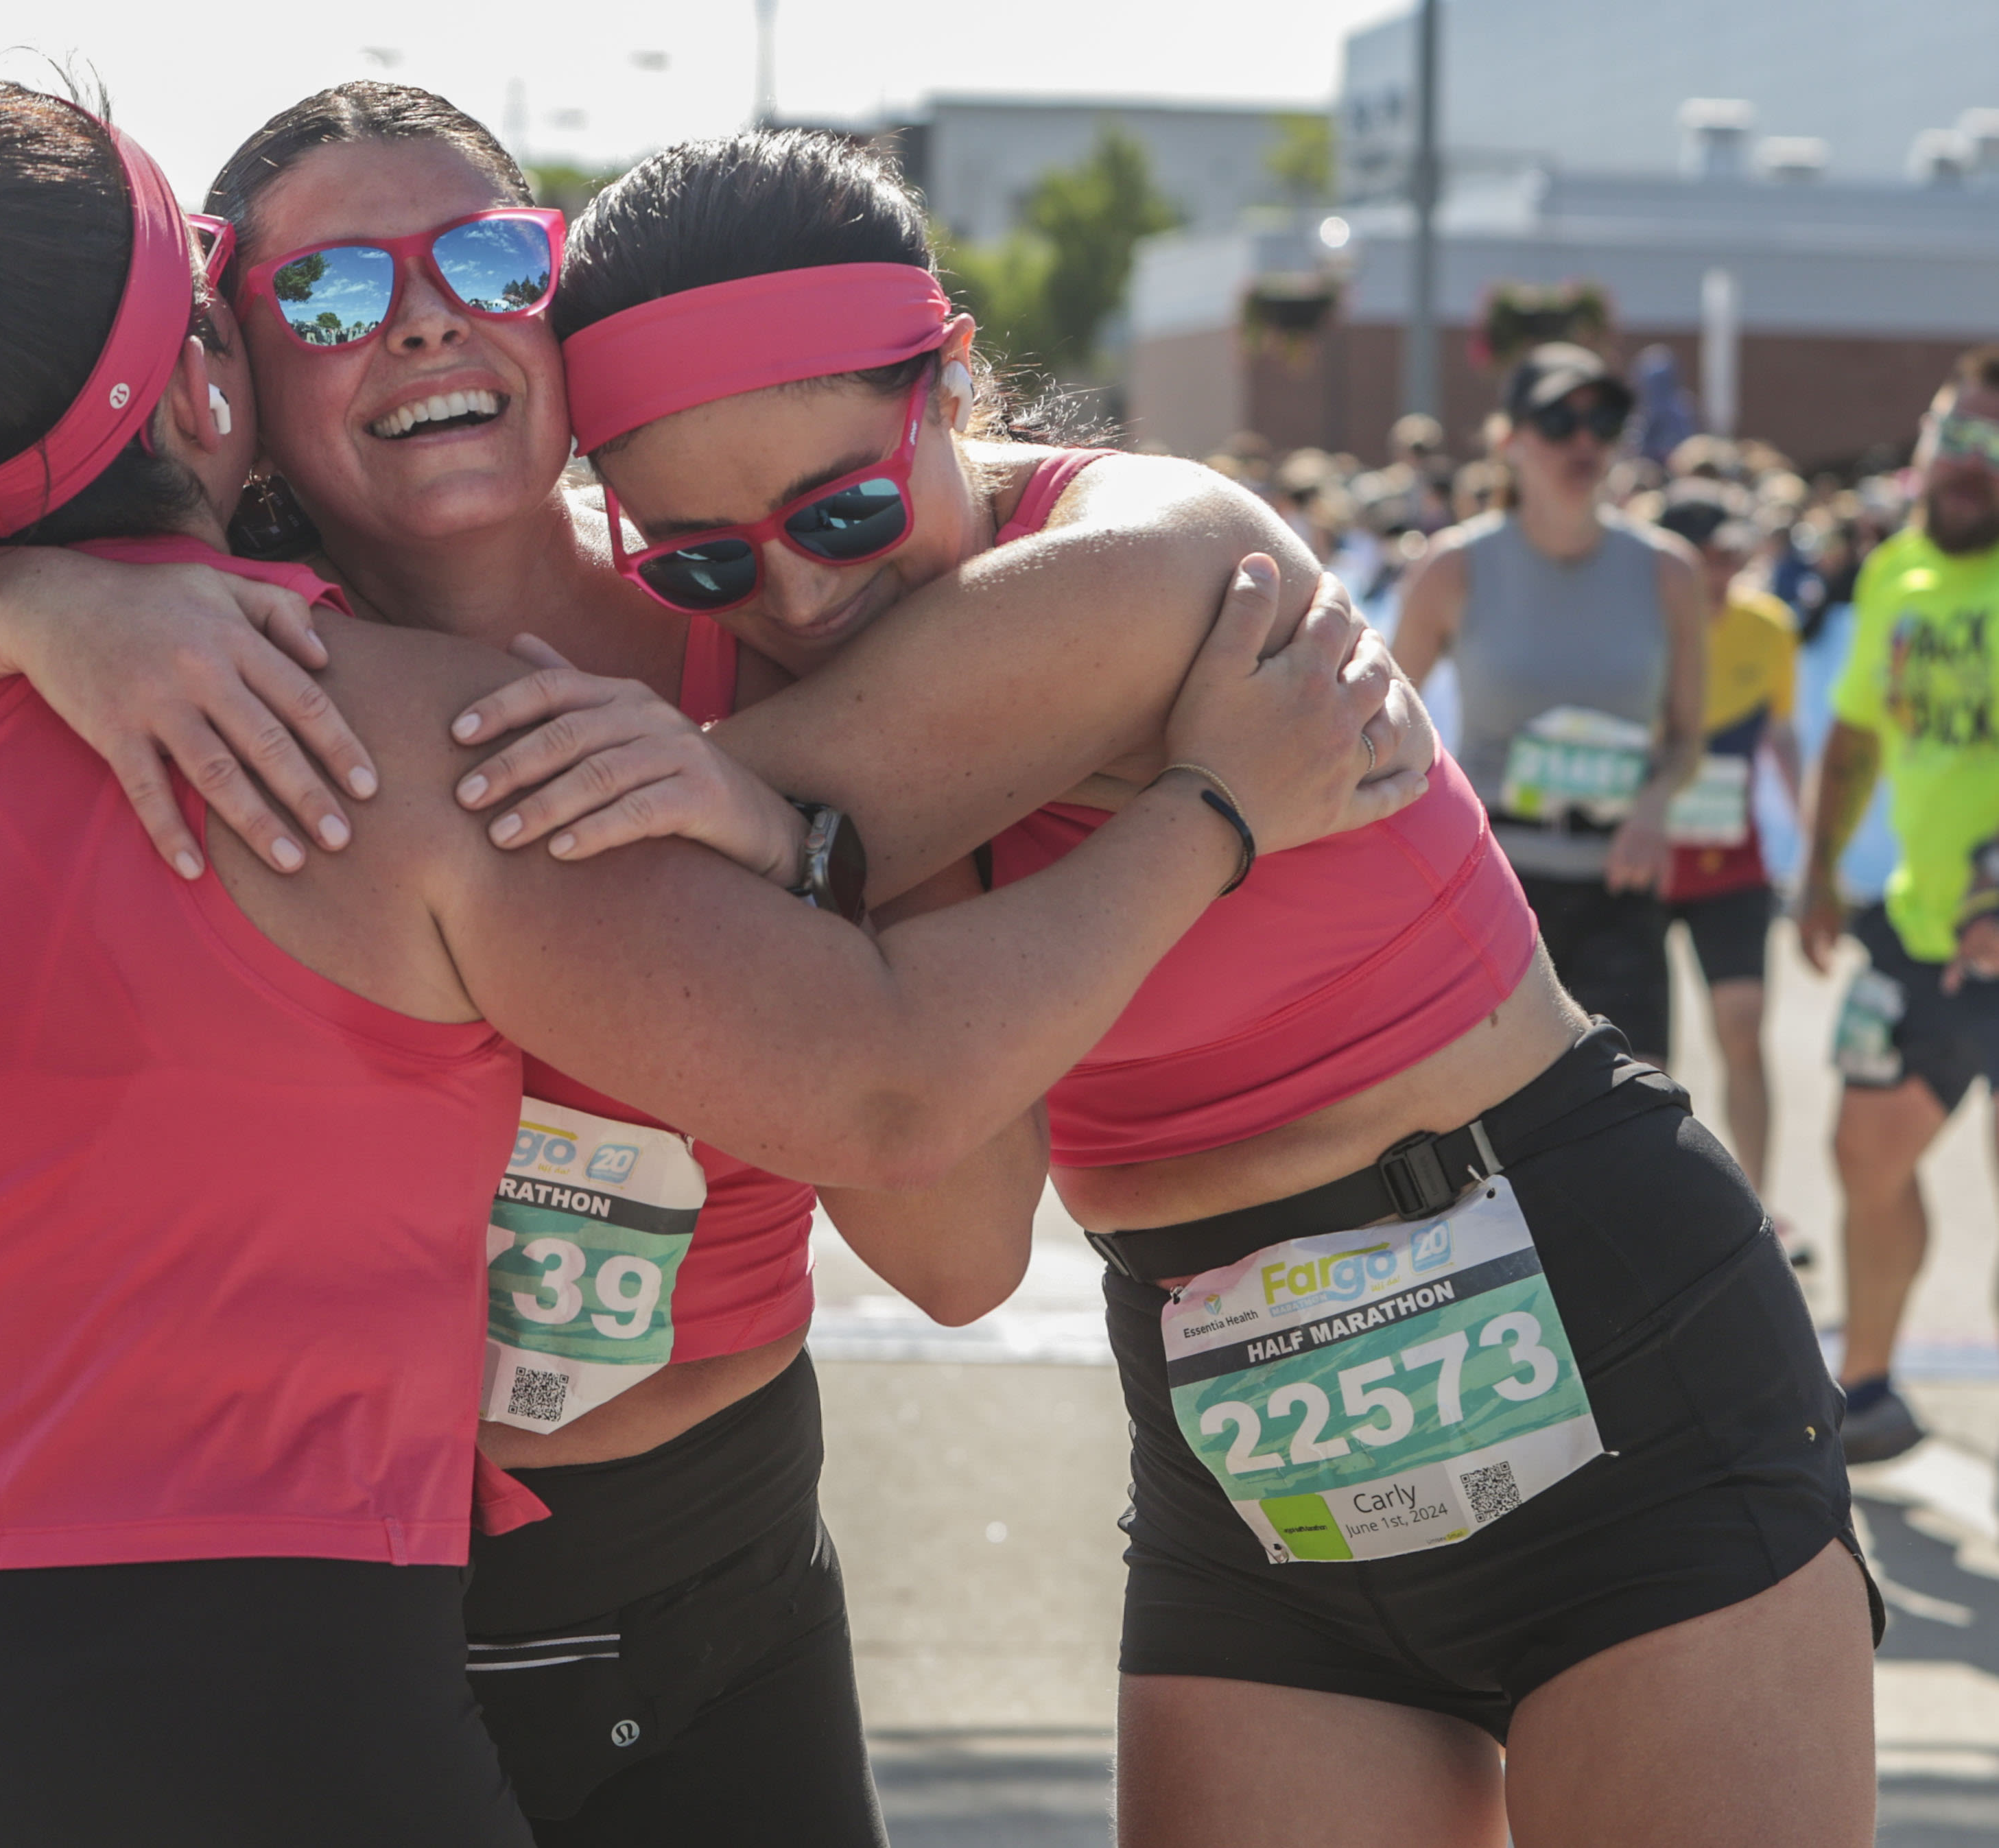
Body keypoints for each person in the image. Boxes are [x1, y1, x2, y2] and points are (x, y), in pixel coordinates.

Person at [0, 83, 1406, 1847]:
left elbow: (950, 1247)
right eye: (323, 296)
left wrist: (804, 816)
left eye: (483, 255)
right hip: (343, 1609)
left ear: (559, 308)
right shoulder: (285, 694)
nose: (417, 320)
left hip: (665, 1573)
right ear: (219, 372)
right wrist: (30, 605)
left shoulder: (777, 642)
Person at [475, 131, 1869, 1847]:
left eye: (844, 505)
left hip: (1595, 1329)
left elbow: (582, 863)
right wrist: (807, 855)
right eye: (695, 562)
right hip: (1240, 1428)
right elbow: (954, 1245)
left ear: (958, 382)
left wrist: (676, 840)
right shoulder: (821, 774)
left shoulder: (1161, 550)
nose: (799, 588)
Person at [1393, 342, 1710, 1068]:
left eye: (1602, 420)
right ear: (1507, 439)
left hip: (1619, 893)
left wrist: (1656, 803)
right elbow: (1378, 722)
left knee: (1632, 1138)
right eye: (1557, 421)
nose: (1583, 441)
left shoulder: (1667, 572)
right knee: (1484, 1154)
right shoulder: (1452, 567)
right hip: (1489, 891)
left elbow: (1687, 738)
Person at [1797, 344, 1999, 1465]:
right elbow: (1861, 730)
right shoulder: (1897, 573)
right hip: (1918, 927)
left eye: (1991, 448)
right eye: (1952, 439)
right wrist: (1821, 869)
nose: (1967, 466)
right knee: (1864, 1150)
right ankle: (1868, 1386)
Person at [1653, 492, 1803, 1237]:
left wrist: (1811, 835)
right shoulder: (1639, 622)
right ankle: (1656, 1212)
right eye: (1707, 558)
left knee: (1741, 1026)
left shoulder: (1767, 626)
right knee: (1636, 1051)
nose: (1722, 573)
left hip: (1732, 861)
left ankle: (1759, 1204)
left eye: (1730, 556)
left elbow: (1780, 735)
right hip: (1643, 857)